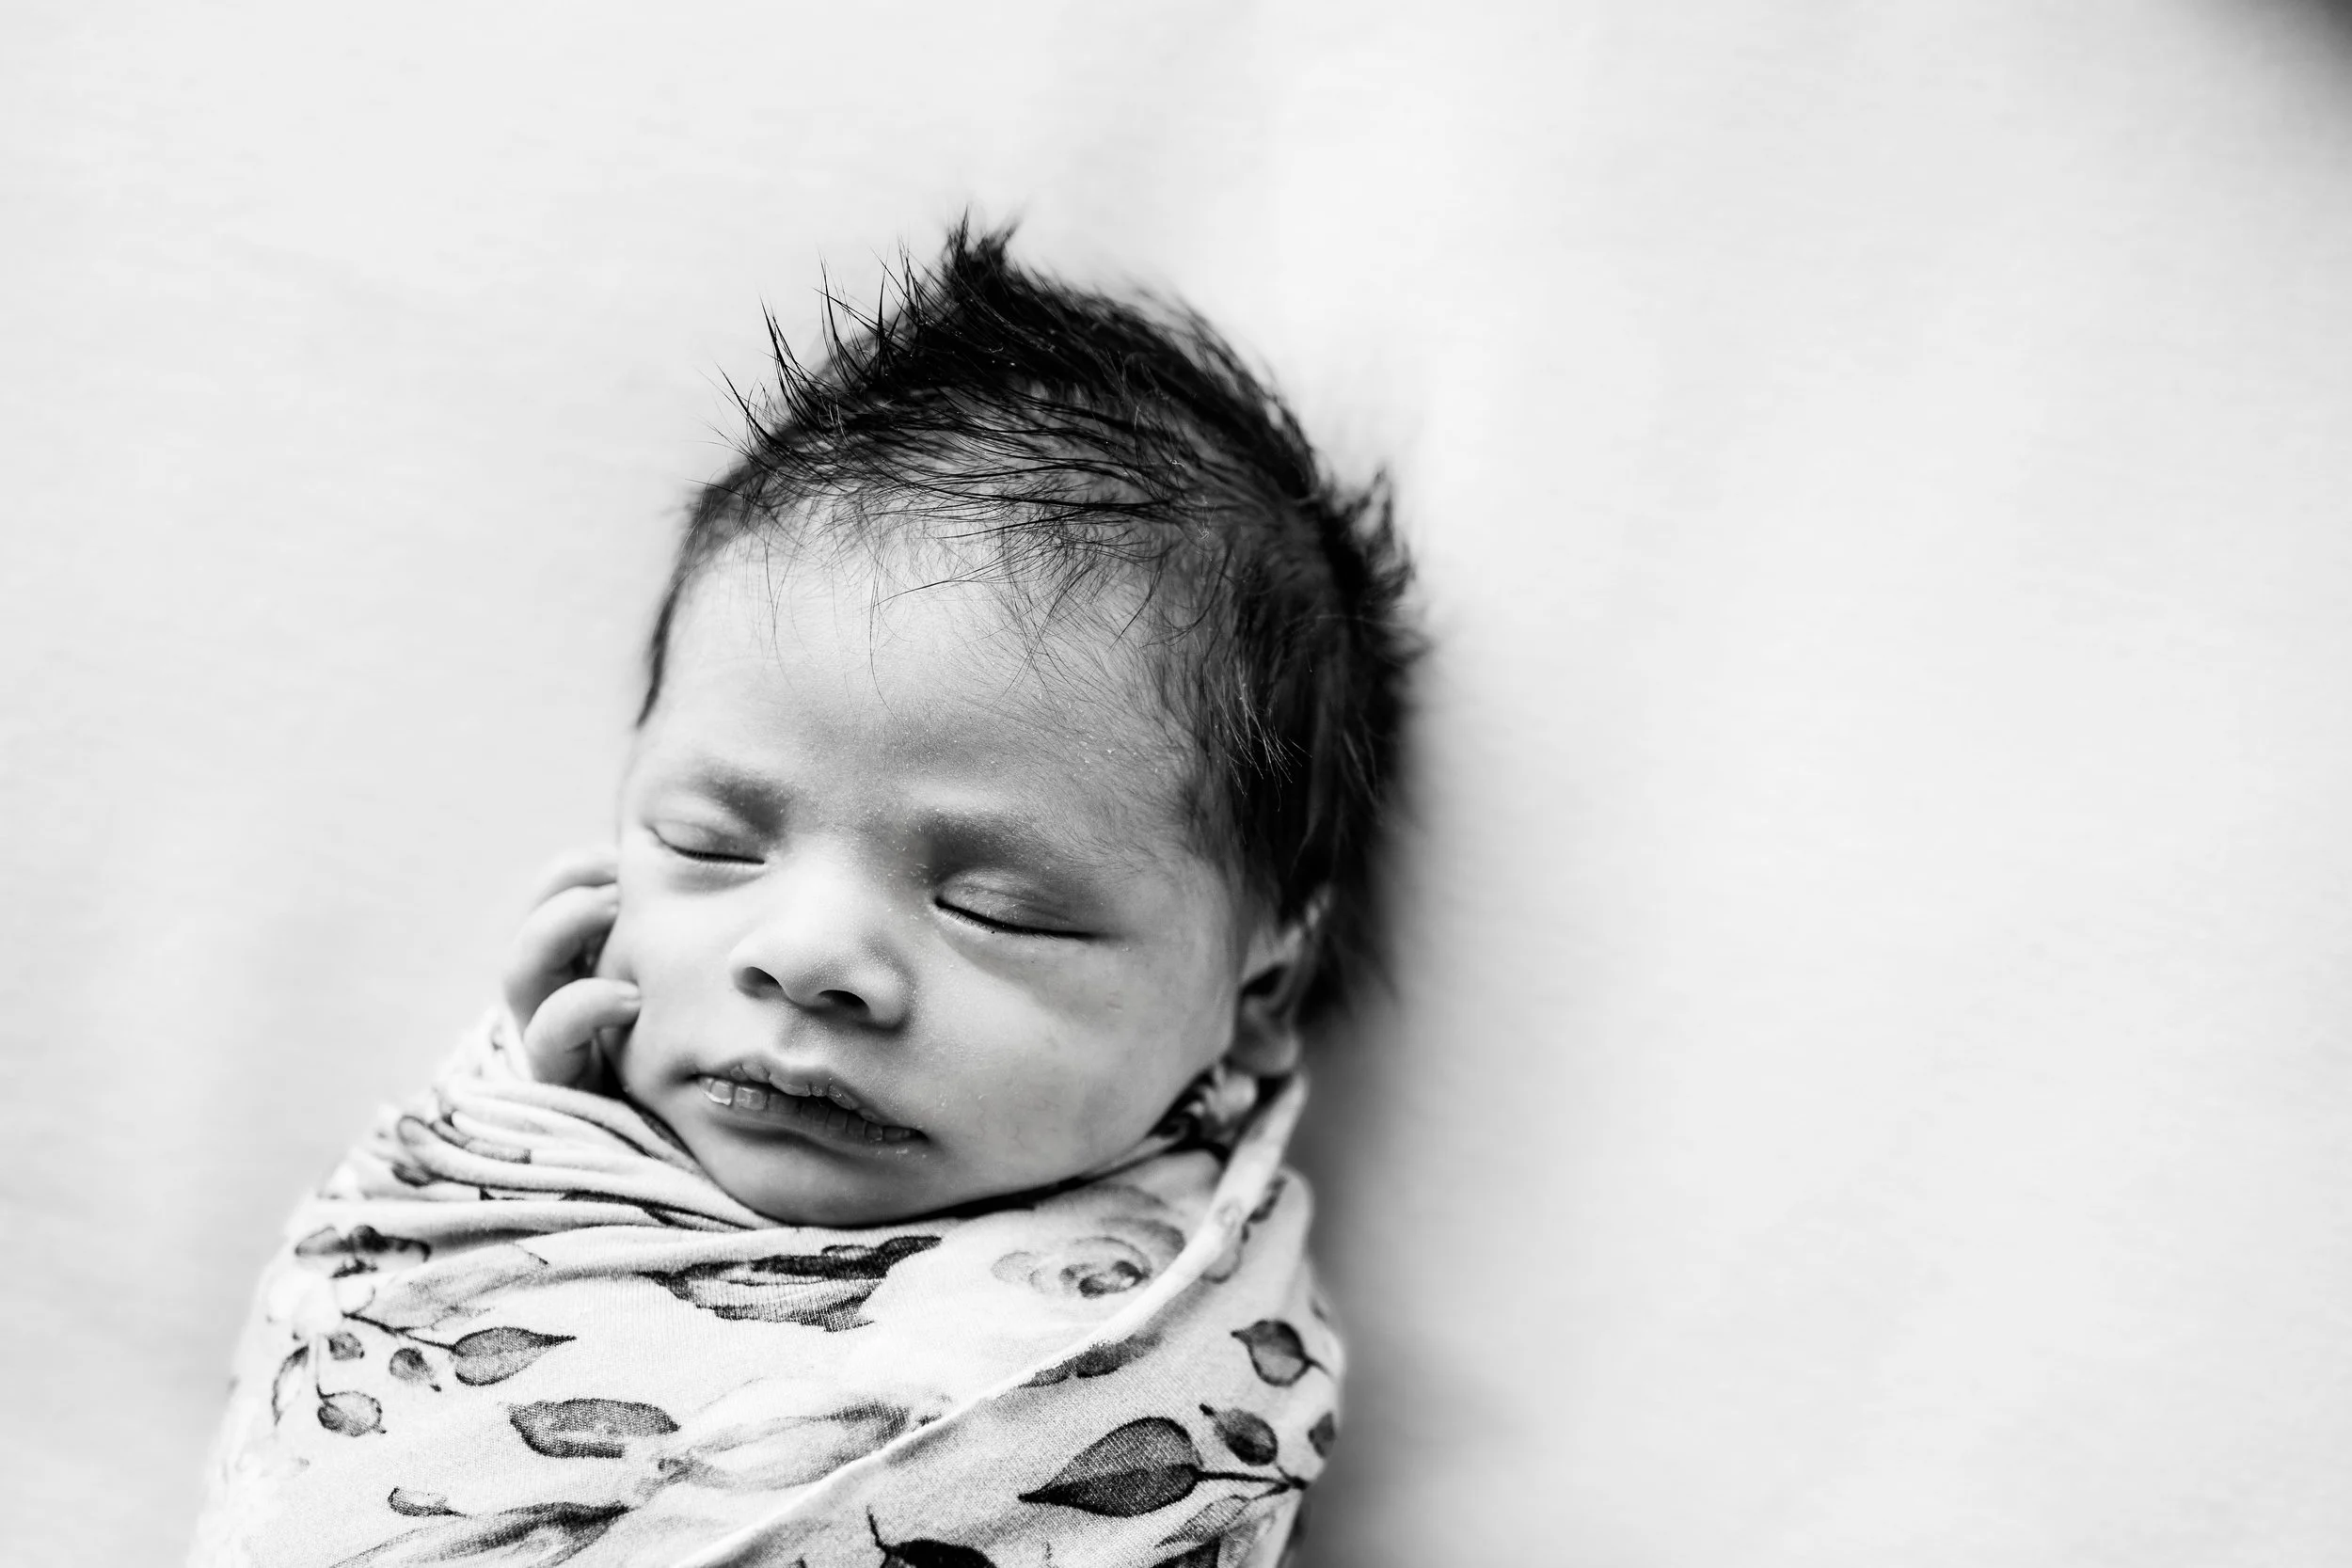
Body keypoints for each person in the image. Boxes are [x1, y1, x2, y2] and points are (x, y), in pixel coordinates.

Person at [191, 222, 1415, 1568]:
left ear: (1261, 989)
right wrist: (550, 1140)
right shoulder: (498, 1165)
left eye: (996, 908)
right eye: (713, 845)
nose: (808, 954)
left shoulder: (1185, 1353)